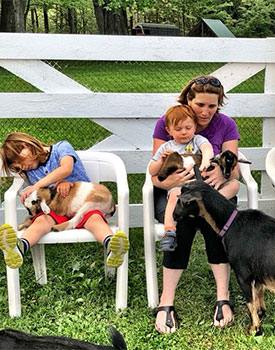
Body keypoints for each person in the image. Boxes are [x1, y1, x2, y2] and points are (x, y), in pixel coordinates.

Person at [152, 75, 240, 334]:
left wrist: (222, 175)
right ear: (188, 99)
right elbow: (156, 174)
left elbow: (232, 170)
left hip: (213, 190)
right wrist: (170, 184)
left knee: (215, 218)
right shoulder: (169, 123)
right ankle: (166, 300)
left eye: (212, 106)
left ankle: (222, 296)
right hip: (174, 191)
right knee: (185, 218)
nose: (205, 112)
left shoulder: (226, 125)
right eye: (200, 104)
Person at [0, 132, 129, 270]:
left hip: (83, 203)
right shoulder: (31, 171)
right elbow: (41, 198)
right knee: (41, 221)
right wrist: (28, 198)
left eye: (20, 160)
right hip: (56, 212)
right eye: (18, 167)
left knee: (95, 220)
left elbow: (66, 168)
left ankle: (112, 245)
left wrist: (39, 185)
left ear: (26, 145)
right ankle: (20, 247)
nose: (23, 167)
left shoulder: (61, 148)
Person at [149, 105, 214, 252]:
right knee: (173, 196)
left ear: (195, 127)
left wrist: (206, 160)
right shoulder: (166, 147)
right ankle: (169, 232)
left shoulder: (197, 140)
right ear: (169, 131)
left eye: (188, 128)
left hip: (198, 184)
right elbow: (151, 170)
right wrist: (160, 161)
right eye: (178, 129)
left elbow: (207, 148)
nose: (184, 132)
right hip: (178, 186)